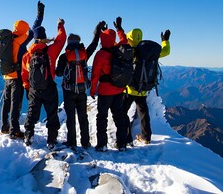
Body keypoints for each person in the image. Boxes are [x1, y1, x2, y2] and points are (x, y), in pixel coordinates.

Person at [54, 22, 104, 149]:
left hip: (69, 91)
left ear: (68, 43)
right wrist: (97, 31)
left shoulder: (64, 57)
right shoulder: (84, 55)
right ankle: (85, 142)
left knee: (70, 117)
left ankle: (72, 142)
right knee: (83, 116)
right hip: (82, 90)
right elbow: (93, 45)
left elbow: (59, 73)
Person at [0, 1, 45, 139]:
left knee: (6, 102)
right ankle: (14, 130)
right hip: (16, 76)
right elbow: (35, 27)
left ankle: (4, 127)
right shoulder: (21, 40)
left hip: (6, 75)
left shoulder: (7, 41)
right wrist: (40, 14)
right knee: (16, 103)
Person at [21, 17, 67, 149]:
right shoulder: (51, 51)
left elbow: (24, 75)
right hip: (49, 87)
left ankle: (28, 136)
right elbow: (62, 38)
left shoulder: (27, 55)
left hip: (34, 89)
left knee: (31, 113)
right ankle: (51, 140)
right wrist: (60, 25)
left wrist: (27, 88)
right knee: (52, 114)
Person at [123, 28, 171, 145]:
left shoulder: (131, 51)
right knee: (143, 113)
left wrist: (119, 30)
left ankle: (127, 138)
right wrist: (165, 41)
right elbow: (166, 52)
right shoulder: (149, 52)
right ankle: (146, 137)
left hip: (130, 89)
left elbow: (118, 45)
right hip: (144, 89)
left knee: (123, 113)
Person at [90, 17, 128, 152]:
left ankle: (102, 144)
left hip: (105, 92)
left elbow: (95, 75)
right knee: (119, 117)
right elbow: (124, 40)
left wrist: (92, 90)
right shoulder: (119, 50)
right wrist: (119, 28)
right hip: (118, 89)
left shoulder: (100, 55)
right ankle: (122, 144)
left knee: (102, 117)